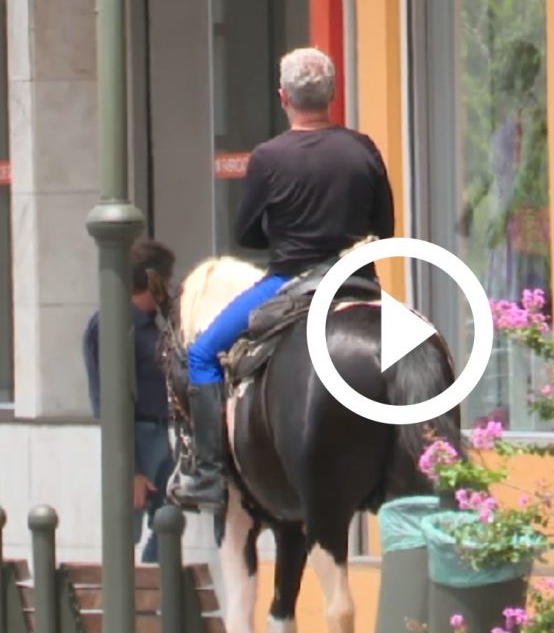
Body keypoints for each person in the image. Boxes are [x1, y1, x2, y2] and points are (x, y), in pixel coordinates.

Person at [171, 46, 395, 513]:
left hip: (289, 282)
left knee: (202, 353)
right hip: (358, 282)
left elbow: (246, 234)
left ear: (283, 97)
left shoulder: (269, 157)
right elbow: (386, 228)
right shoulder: (363, 148)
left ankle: (208, 475)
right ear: (333, 95)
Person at [82, 239, 176, 563]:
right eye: (167, 279)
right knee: (127, 526)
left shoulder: (153, 326)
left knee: (170, 517)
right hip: (135, 436)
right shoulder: (113, 324)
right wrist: (132, 469)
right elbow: (110, 400)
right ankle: (128, 601)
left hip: (161, 432)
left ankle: (153, 589)